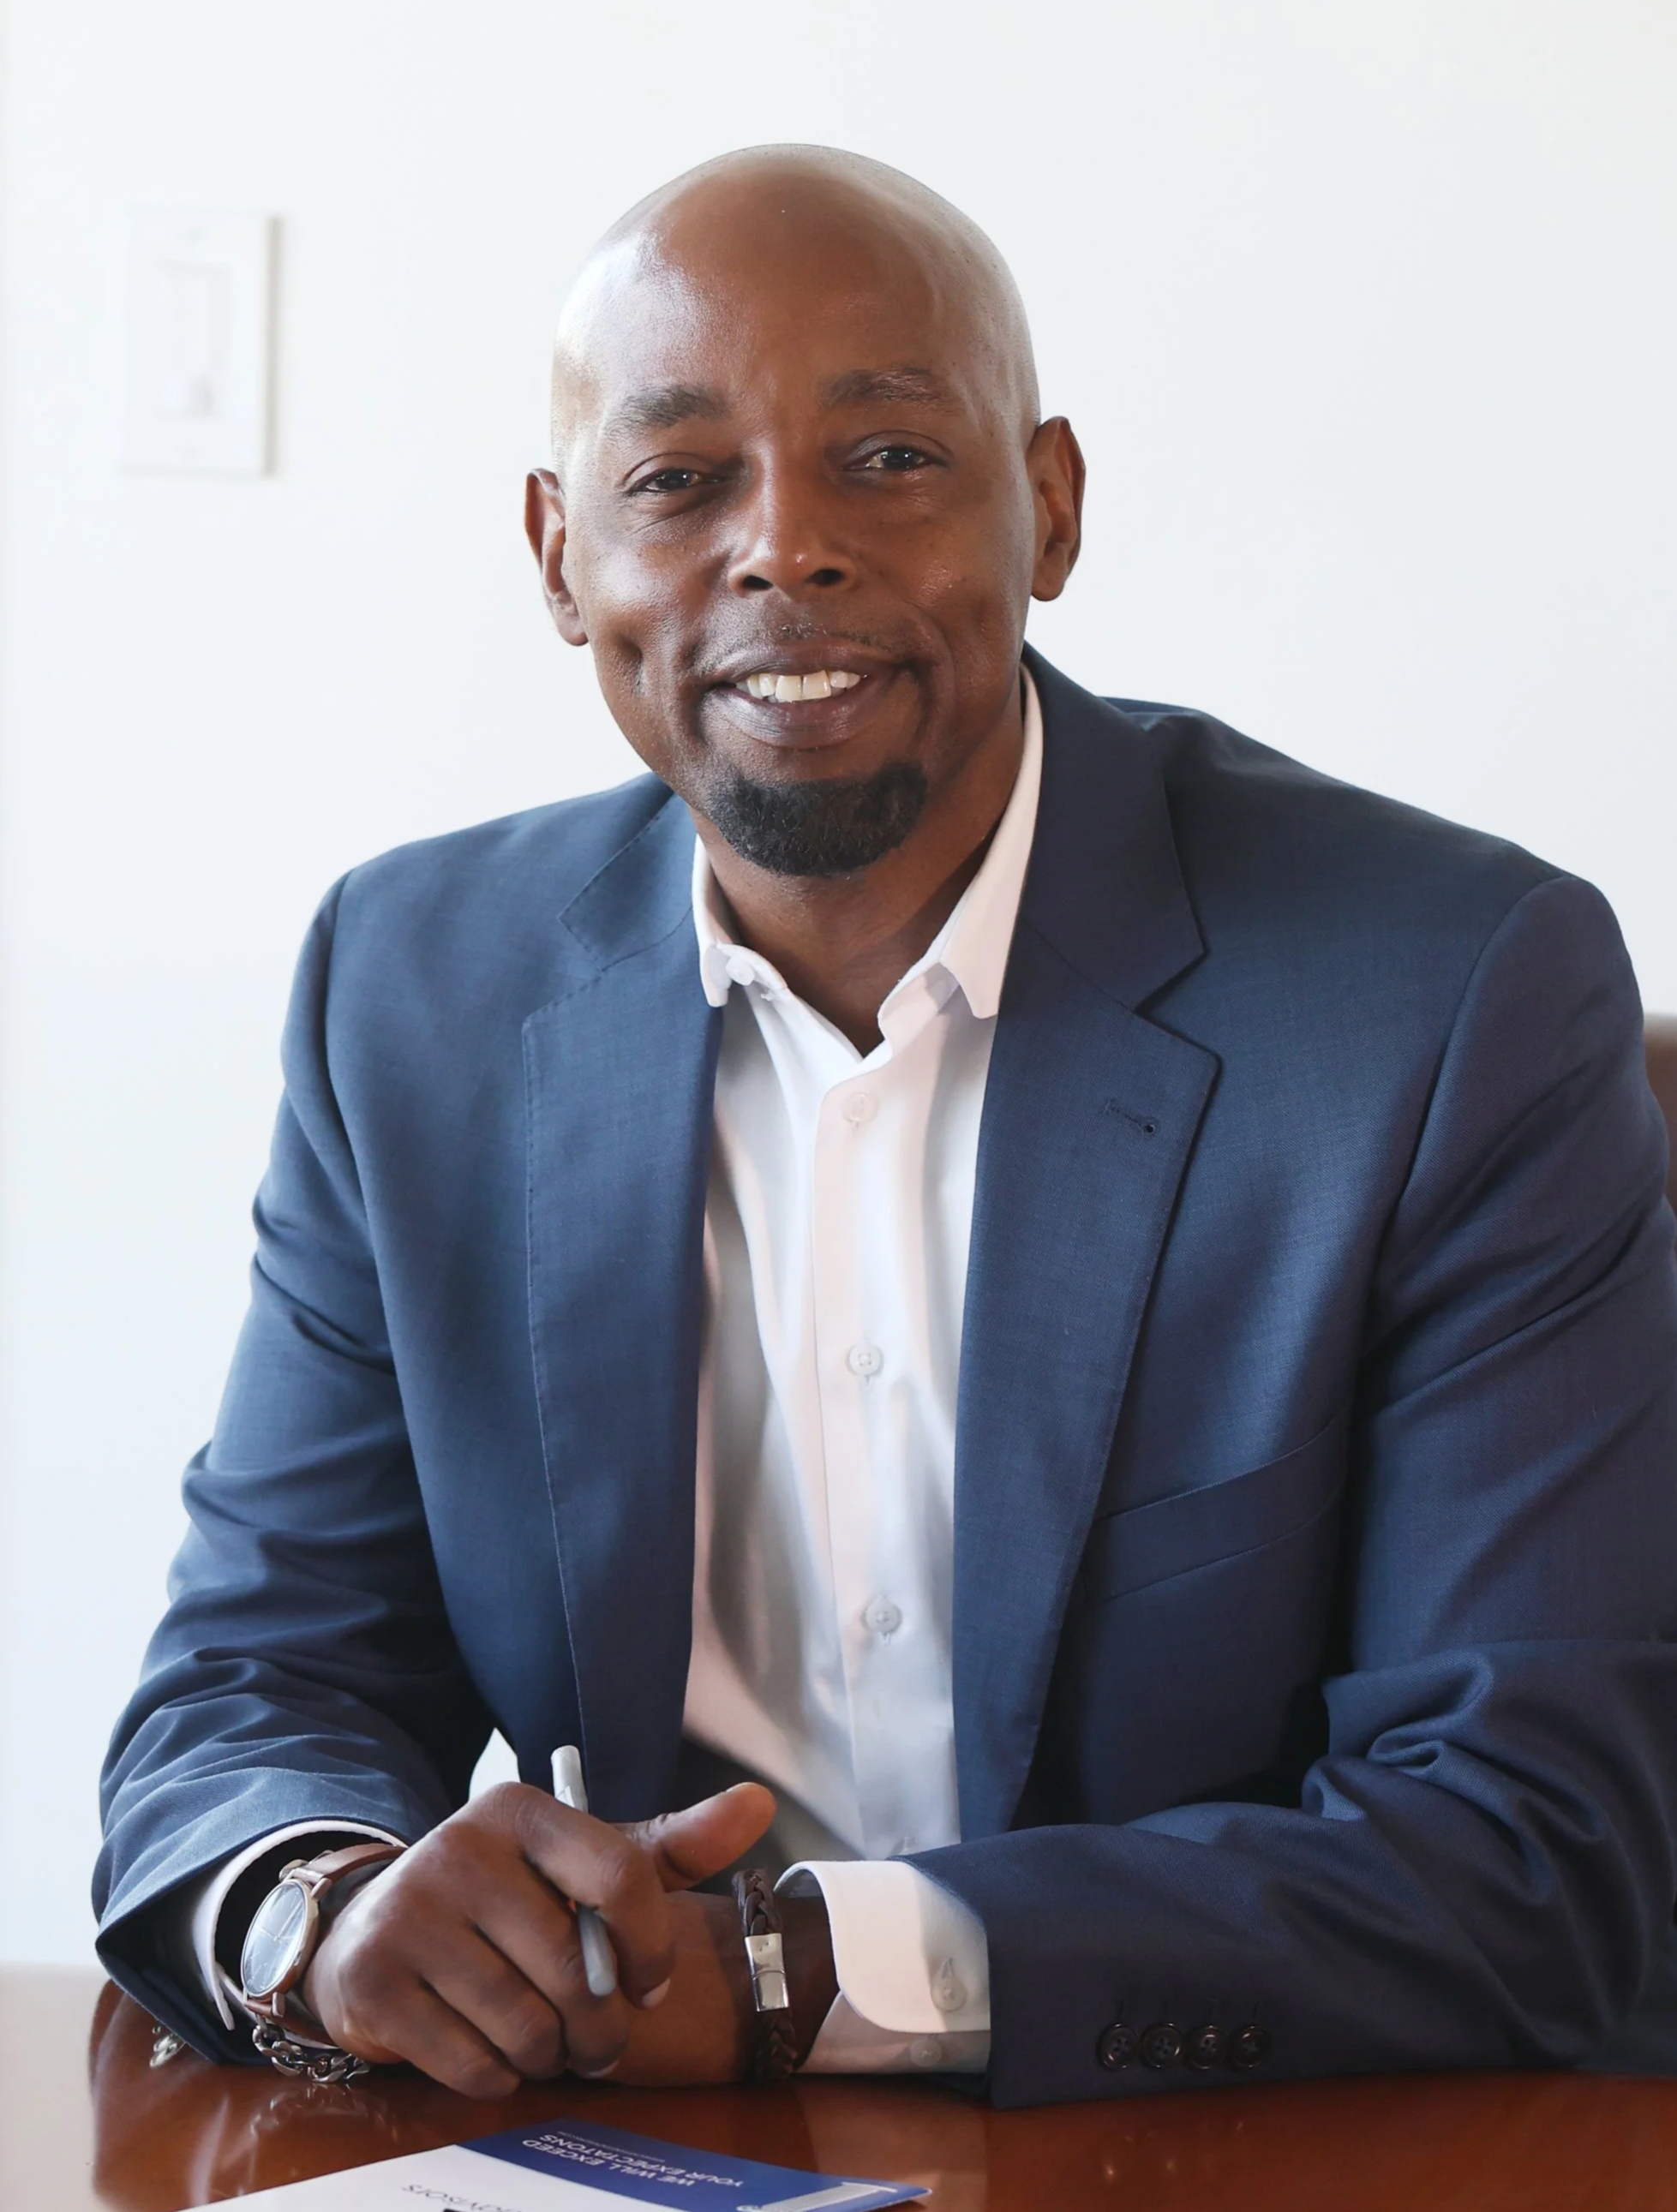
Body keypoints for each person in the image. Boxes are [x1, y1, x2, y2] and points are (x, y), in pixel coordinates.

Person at [96, 145, 1677, 2111]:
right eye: (676, 481)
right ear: (555, 550)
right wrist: (323, 1909)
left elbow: (1528, 1844)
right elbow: (261, 1681)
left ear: (1054, 505)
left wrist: (794, 1973)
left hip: (1253, 2137)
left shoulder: (1445, 996)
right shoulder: (412, 990)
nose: (783, 550)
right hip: (649, 2141)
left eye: (892, 459)